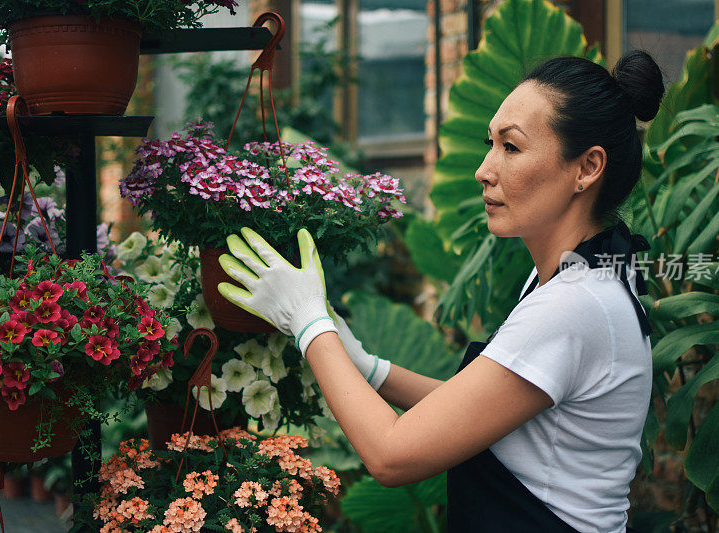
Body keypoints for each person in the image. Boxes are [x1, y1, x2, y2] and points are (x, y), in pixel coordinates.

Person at [217, 49, 665, 532]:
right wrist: (367, 366)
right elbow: (478, 409)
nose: (484, 169)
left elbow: (391, 457)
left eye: (511, 148)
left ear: (587, 167)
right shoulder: (571, 282)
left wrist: (309, 323)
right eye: (489, 143)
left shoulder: (575, 305)